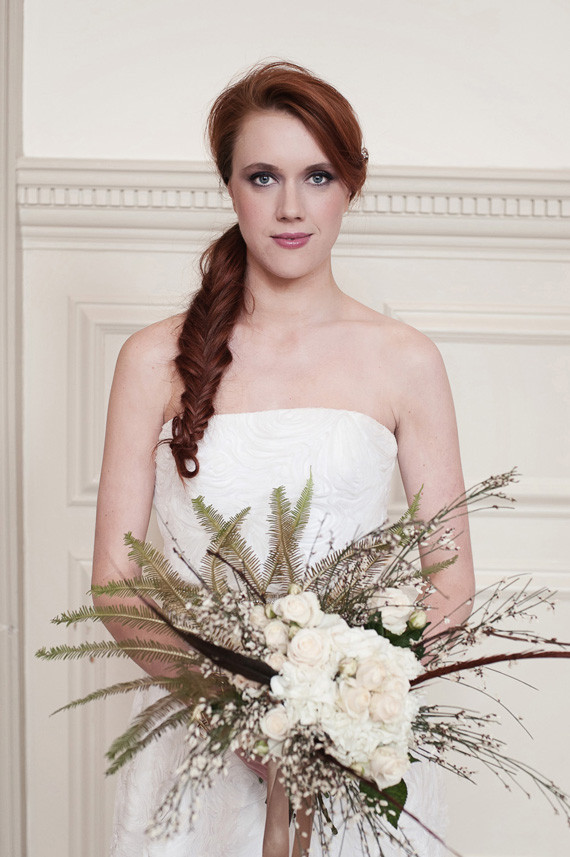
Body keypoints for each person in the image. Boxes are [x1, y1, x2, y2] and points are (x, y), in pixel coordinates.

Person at [93, 61, 474, 857]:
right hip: (196, 749)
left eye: (318, 175)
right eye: (263, 176)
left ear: (352, 184)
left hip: (358, 756)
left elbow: (450, 579)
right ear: (229, 186)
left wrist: (347, 712)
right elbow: (117, 583)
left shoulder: (405, 359)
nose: (292, 206)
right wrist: (233, 714)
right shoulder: (151, 358)